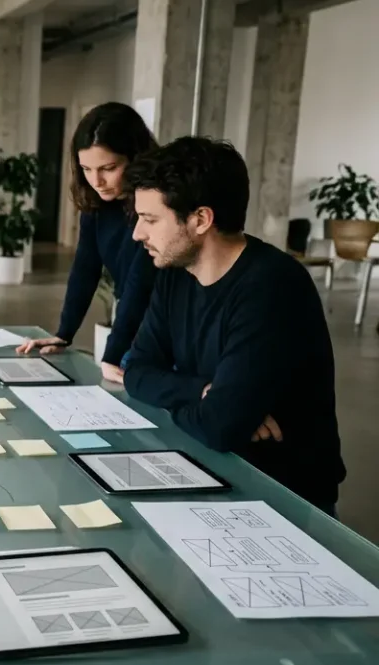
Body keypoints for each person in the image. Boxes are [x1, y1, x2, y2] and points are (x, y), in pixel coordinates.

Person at [123, 136, 344, 514]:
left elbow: (219, 428)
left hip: (283, 495)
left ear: (200, 220)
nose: (137, 234)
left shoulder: (272, 286)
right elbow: (136, 372)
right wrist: (203, 392)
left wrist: (209, 408)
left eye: (150, 219)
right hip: (209, 470)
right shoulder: (176, 273)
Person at [16, 103, 158, 383]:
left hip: (165, 322)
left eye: (109, 168)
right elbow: (85, 267)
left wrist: (112, 354)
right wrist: (63, 334)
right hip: (132, 317)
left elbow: (140, 282)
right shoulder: (96, 203)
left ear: (136, 157)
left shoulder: (154, 203)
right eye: (86, 169)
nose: (97, 181)